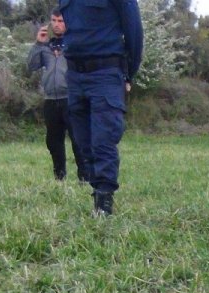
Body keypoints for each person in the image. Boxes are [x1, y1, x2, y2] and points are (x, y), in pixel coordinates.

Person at [58, 0, 143, 216]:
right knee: (83, 141)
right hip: (75, 74)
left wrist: (128, 72)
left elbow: (134, 31)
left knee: (103, 139)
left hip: (105, 72)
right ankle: (97, 190)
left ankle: (104, 202)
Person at [27, 10, 86, 183]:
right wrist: (38, 43)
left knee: (78, 140)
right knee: (53, 141)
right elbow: (31, 66)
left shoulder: (75, 44)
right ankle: (59, 176)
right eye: (54, 20)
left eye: (60, 20)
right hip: (51, 100)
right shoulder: (46, 47)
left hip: (71, 98)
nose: (57, 24)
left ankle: (84, 177)